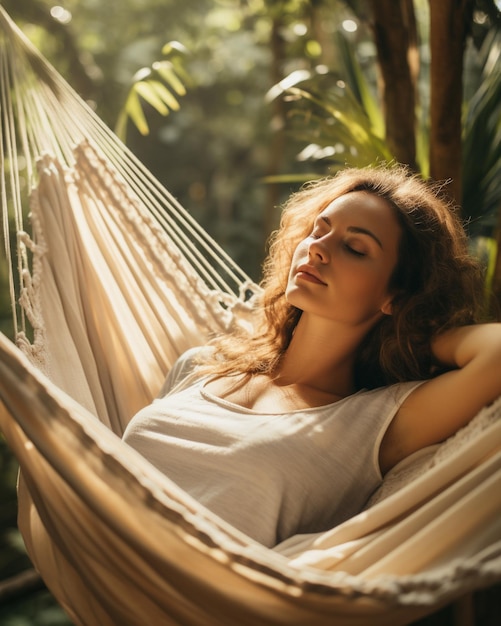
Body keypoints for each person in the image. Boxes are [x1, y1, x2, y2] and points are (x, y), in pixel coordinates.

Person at [123, 164, 501, 548]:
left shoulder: (372, 424)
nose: (318, 248)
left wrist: (414, 330)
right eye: (319, 230)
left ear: (397, 296)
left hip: (193, 597)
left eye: (354, 248)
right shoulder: (200, 364)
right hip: (102, 552)